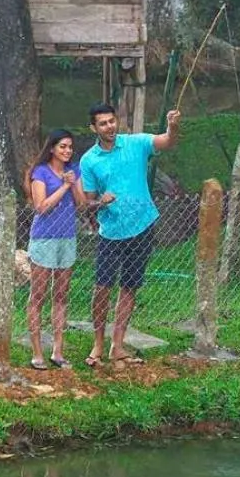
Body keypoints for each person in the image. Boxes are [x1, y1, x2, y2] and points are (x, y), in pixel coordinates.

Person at [78, 102, 181, 367]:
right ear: (94, 128)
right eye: (103, 123)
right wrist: (101, 200)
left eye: (111, 121)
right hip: (110, 232)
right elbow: (86, 202)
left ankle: (118, 346)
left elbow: (167, 142)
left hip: (143, 226)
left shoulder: (136, 144)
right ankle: (98, 344)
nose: (109, 126)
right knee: (102, 288)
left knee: (129, 287)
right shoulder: (89, 160)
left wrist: (172, 125)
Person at [26, 128, 83, 370]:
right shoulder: (40, 173)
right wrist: (63, 186)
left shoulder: (74, 171)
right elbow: (41, 207)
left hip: (67, 238)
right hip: (44, 239)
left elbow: (81, 203)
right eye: (62, 147)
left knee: (61, 295)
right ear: (52, 149)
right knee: (38, 295)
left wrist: (73, 184)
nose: (67, 151)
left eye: (70, 147)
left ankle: (58, 351)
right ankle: (37, 351)